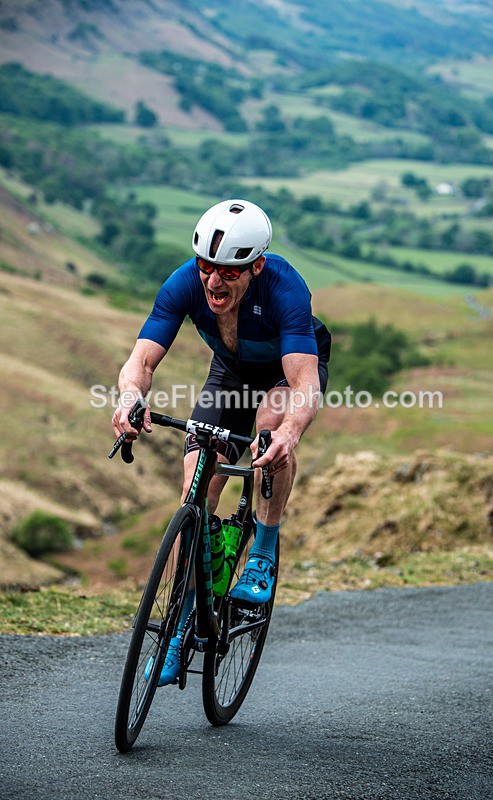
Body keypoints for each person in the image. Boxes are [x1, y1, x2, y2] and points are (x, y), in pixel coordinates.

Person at [112, 199, 330, 684]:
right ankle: (181, 621)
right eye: (206, 267)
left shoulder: (285, 289)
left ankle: (263, 551)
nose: (214, 281)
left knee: (272, 426)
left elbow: (305, 386)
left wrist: (289, 435)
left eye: (229, 272)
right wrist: (129, 398)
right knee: (195, 485)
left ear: (256, 265)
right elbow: (141, 360)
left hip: (285, 377)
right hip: (230, 374)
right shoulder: (184, 283)